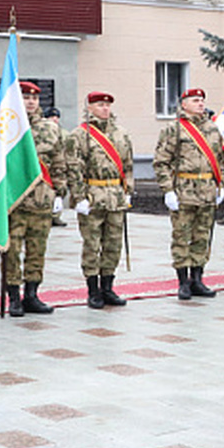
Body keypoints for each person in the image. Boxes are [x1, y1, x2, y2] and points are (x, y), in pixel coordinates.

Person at [155, 88, 224, 300]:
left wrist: (221, 185)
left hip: (207, 190)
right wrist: (168, 190)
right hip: (184, 191)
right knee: (182, 237)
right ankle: (183, 282)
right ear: (184, 104)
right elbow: (161, 162)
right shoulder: (175, 129)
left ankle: (197, 279)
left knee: (202, 237)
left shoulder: (212, 129)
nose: (200, 104)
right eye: (195, 100)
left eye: (202, 100)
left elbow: (220, 160)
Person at [3, 82, 66, 316]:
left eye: (35, 99)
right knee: (12, 252)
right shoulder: (6, 126)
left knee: (37, 251)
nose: (31, 102)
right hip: (15, 202)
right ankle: (13, 297)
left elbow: (59, 162)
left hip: (41, 200)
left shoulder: (50, 129)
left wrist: (59, 192)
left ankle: (32, 294)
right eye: (26, 98)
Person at [66, 91, 134, 309]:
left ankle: (108, 287)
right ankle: (93, 290)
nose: (105, 108)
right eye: (100, 105)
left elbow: (128, 165)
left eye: (107, 105)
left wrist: (128, 190)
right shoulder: (79, 135)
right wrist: (78, 197)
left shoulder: (121, 134)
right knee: (92, 245)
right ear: (89, 108)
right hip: (93, 195)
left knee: (113, 244)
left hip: (115, 196)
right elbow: (73, 168)